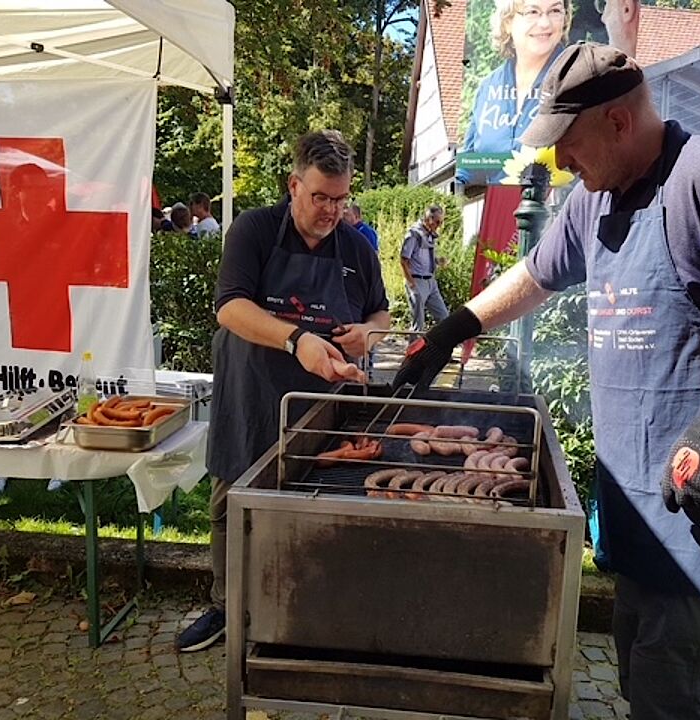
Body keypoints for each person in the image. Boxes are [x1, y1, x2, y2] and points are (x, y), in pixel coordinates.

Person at [392, 42, 700, 719]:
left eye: (566, 143)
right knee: (643, 682)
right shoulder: (595, 197)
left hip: (699, 504)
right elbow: (537, 276)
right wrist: (453, 329)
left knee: (678, 698)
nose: (559, 161)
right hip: (636, 498)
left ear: (616, 121)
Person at [175, 130, 390, 652]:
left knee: (315, 509)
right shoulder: (254, 229)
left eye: (340, 199)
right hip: (252, 394)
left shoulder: (357, 250)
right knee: (231, 506)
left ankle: (307, 610)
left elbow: (379, 314)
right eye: (320, 197)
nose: (332, 210)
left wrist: (371, 333)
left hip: (322, 409)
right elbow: (230, 308)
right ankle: (226, 606)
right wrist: (297, 341)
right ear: (294, 185)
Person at [459, 0, 571, 183]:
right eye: (532, 12)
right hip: (496, 206)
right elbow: (470, 163)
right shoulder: (488, 88)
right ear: (507, 22)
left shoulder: (578, 79)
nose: (545, 23)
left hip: (559, 208)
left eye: (555, 11)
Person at [400, 205, 449, 333]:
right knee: (418, 326)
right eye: (437, 222)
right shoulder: (414, 234)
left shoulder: (430, 235)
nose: (439, 225)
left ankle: (436, 349)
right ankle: (412, 352)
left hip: (431, 282)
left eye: (441, 222)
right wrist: (411, 283)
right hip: (417, 281)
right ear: (428, 219)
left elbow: (421, 258)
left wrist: (437, 261)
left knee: (444, 318)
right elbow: (404, 260)